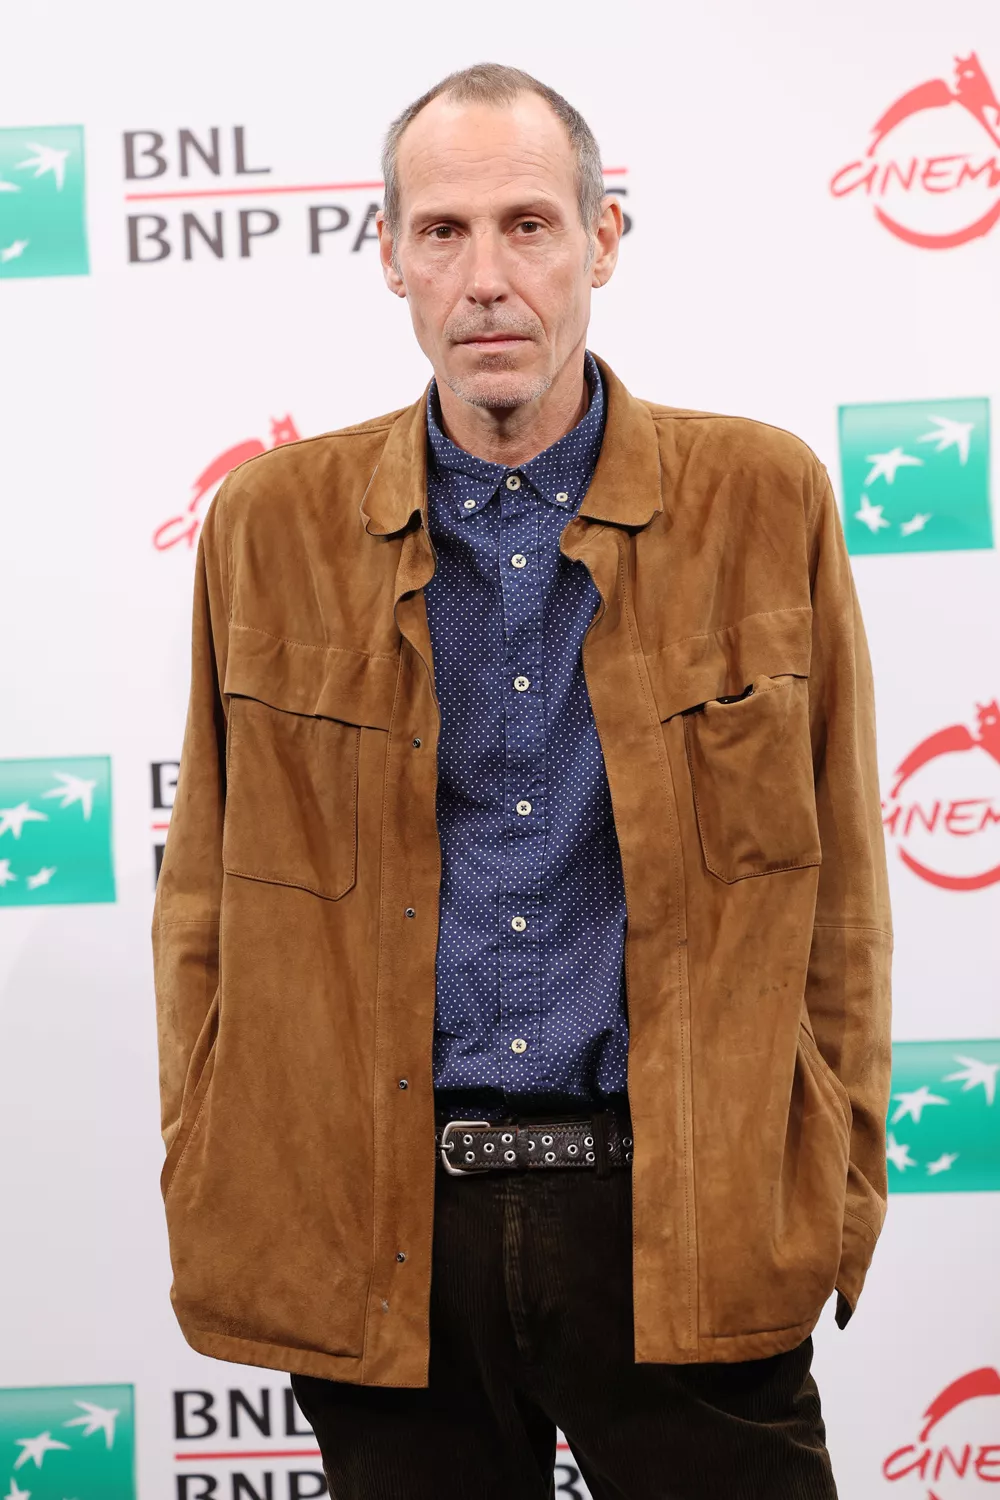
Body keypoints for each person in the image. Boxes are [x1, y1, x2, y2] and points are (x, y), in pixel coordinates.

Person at [152, 62, 893, 1500]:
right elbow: (203, 910)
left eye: (529, 226)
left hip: (684, 1214)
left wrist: (831, 1183)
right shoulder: (271, 526)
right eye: (442, 233)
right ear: (387, 256)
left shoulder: (764, 499)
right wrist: (204, 1143)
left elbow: (844, 905)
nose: (488, 278)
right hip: (387, 1226)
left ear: (602, 240)